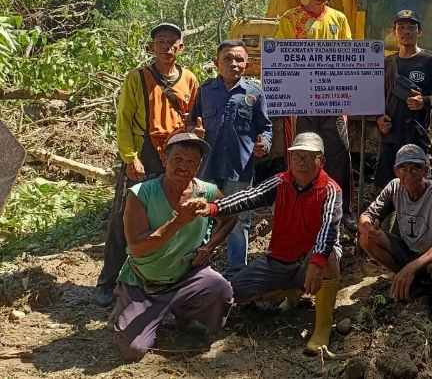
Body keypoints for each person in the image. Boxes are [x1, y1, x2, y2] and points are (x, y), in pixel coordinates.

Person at [196, 132, 342, 355]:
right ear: (289, 159)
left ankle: (322, 330)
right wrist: (215, 208)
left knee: (328, 256)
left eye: (308, 157)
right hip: (279, 260)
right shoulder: (280, 181)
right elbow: (250, 196)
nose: (301, 162)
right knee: (234, 292)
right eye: (297, 157)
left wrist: (317, 260)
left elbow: (328, 228)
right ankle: (290, 290)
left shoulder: (331, 189)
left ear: (320, 161)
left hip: (310, 263)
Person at [96, 22, 199, 307]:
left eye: (172, 41)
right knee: (124, 217)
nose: (166, 46)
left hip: (175, 153)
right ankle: (108, 281)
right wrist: (131, 158)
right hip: (145, 151)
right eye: (161, 41)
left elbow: (193, 118)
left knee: (170, 215)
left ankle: (161, 280)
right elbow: (124, 120)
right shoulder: (137, 77)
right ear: (152, 47)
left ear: (181, 47)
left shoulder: (190, 78)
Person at [111, 132, 236, 362]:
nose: (184, 167)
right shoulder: (141, 194)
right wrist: (178, 221)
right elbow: (137, 248)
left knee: (220, 288)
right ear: (164, 159)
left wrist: (209, 246)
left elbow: (230, 217)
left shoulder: (206, 192)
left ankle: (181, 313)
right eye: (178, 159)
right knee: (133, 350)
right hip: (144, 283)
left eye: (191, 162)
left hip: (185, 277)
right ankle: (129, 303)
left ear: (199, 166)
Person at [274, 0, 355, 230]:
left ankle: (344, 211)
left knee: (340, 153)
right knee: (302, 154)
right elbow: (281, 59)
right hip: (302, 102)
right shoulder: (291, 18)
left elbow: (349, 56)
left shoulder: (339, 19)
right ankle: (303, 207)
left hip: (332, 100)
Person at [190, 39, 272, 271]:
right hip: (207, 169)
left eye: (239, 59)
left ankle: (237, 271)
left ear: (246, 64)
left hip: (240, 168)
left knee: (239, 221)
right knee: (200, 218)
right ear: (217, 63)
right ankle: (196, 267)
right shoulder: (205, 91)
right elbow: (191, 124)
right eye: (228, 58)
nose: (233, 63)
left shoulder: (255, 93)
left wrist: (264, 143)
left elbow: (265, 127)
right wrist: (193, 132)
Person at [358, 144, 432, 322]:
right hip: (408, 249)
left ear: (425, 171)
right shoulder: (394, 187)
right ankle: (409, 281)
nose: (408, 174)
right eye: (403, 168)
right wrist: (368, 227)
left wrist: (411, 267)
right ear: (396, 171)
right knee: (367, 239)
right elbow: (367, 215)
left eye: (415, 168)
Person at [374, 9, 432, 189]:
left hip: (416, 135)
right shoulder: (387, 63)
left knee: (416, 187)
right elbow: (377, 96)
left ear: (419, 31)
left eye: (411, 27)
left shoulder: (431, 61)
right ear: (394, 32)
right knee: (386, 187)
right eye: (401, 27)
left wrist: (425, 102)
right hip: (390, 136)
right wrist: (379, 118)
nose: (406, 32)